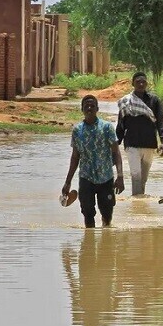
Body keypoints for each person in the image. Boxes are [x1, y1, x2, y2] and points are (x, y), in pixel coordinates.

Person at [62, 95, 125, 228]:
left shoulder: (107, 127)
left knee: (107, 216)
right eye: (86, 106)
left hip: (106, 178)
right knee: (87, 214)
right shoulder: (77, 130)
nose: (89, 108)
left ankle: (106, 243)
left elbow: (116, 152)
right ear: (82, 109)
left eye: (92, 106)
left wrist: (120, 176)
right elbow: (75, 157)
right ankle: (88, 244)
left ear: (97, 108)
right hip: (86, 178)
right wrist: (67, 182)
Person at [116, 71, 163, 196]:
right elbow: (120, 125)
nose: (141, 84)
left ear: (146, 84)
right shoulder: (126, 101)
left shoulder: (154, 100)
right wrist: (114, 144)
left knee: (143, 179)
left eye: (143, 82)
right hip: (132, 145)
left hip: (149, 144)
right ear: (132, 84)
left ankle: (139, 204)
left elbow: (160, 121)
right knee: (136, 176)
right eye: (138, 82)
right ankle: (138, 204)